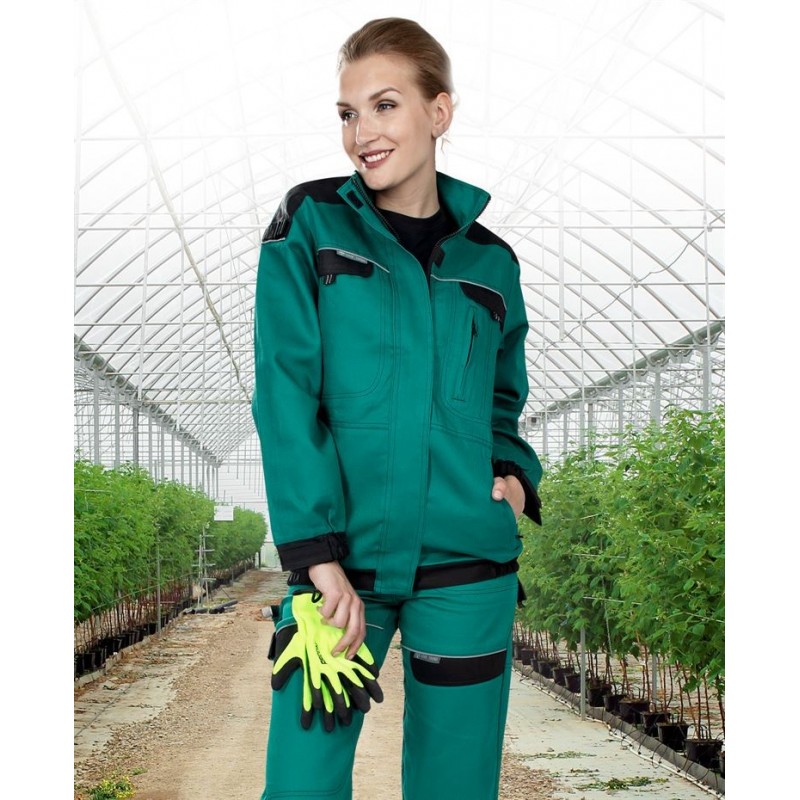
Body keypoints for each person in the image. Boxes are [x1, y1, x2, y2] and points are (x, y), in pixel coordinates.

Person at [252, 17, 543, 800]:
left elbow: (503, 397)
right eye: (348, 113)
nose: (362, 133)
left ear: (438, 111)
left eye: (385, 106)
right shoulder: (311, 224)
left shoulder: (491, 262)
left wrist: (514, 473)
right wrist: (315, 557)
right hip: (340, 566)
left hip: (467, 566)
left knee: (456, 788)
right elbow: (284, 391)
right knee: (302, 787)